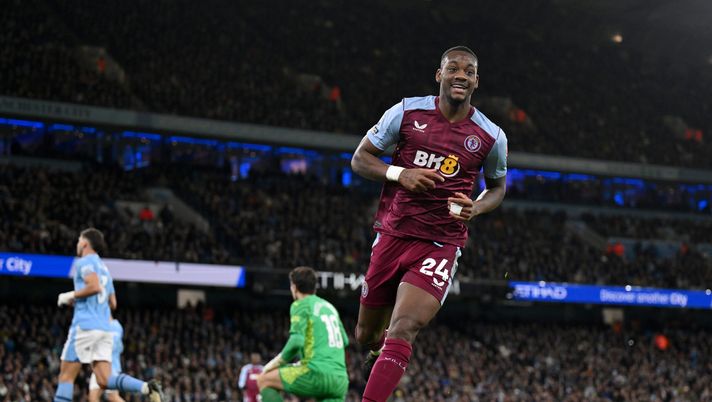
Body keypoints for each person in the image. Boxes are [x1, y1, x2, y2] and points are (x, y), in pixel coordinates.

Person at [350, 45, 508, 402]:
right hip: (393, 234)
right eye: (454, 69)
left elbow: (497, 189)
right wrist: (399, 173)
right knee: (366, 335)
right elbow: (360, 160)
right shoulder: (405, 112)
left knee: (404, 327)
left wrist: (477, 208)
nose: (461, 76)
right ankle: (378, 354)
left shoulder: (491, 136)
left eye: (469, 72)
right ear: (440, 75)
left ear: (476, 81)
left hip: (441, 242)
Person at [54, 228, 164, 402]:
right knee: (104, 380)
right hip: (105, 329)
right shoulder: (105, 269)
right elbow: (113, 303)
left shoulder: (83, 262)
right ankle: (146, 387)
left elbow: (95, 287)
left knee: (66, 377)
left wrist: (71, 295)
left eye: (78, 240)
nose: (77, 244)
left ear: (84, 243)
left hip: (85, 326)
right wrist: (84, 301)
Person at [256, 267, 349, 402]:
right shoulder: (329, 307)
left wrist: (272, 365)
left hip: (316, 373)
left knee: (264, 379)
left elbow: (296, 341)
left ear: (294, 287)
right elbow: (344, 340)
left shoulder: (300, 304)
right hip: (340, 380)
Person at [89, 318, 125, 402]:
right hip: (101, 366)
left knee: (111, 397)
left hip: (109, 367)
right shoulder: (114, 326)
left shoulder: (114, 326)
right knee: (95, 398)